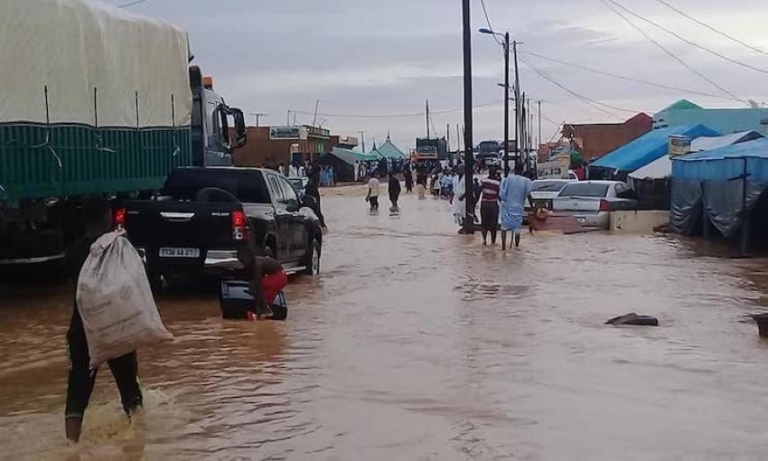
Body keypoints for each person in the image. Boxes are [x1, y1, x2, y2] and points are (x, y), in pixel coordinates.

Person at [65, 196, 143, 443]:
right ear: (107, 215)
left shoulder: (73, 251)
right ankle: (137, 442)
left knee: (77, 393)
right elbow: (132, 285)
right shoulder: (119, 246)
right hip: (116, 325)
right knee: (129, 389)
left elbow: (75, 293)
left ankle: (71, 447)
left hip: (83, 329)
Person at [499, 163, 533, 250]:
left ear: (514, 170)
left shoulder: (507, 179)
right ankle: (517, 247)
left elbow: (502, 193)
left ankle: (503, 247)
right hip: (518, 207)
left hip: (507, 206)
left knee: (504, 227)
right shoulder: (526, 181)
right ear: (522, 170)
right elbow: (527, 194)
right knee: (517, 229)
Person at [479, 167, 501, 245]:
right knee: (493, 224)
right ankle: (493, 242)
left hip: (484, 204)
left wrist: (474, 204)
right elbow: (499, 196)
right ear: (495, 173)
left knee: (484, 223)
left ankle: (484, 240)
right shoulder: (498, 183)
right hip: (493, 204)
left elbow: (479, 193)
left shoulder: (483, 181)